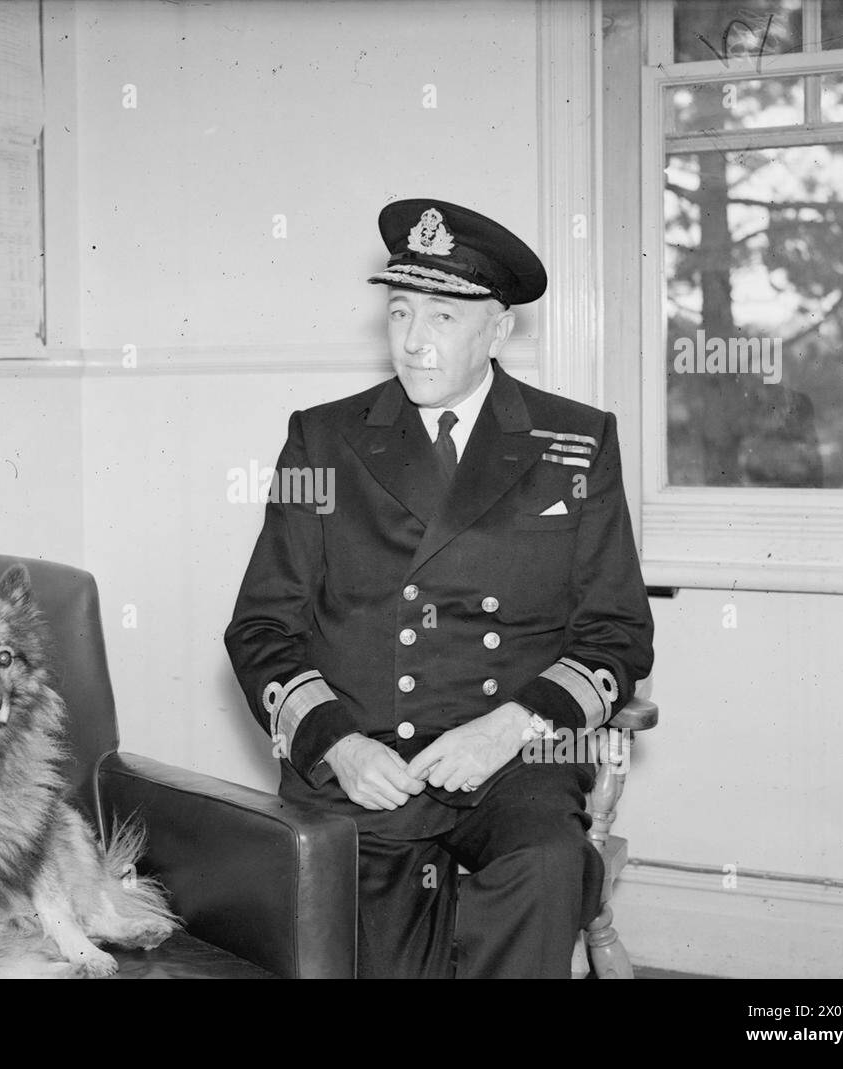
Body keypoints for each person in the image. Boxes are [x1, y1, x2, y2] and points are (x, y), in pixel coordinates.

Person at [224, 199, 654, 978]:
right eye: (399, 312)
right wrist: (338, 745)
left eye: (444, 317)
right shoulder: (323, 439)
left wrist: (513, 728)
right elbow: (260, 629)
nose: (414, 342)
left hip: (511, 761)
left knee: (547, 864)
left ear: (499, 329)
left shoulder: (574, 441)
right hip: (367, 762)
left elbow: (617, 633)